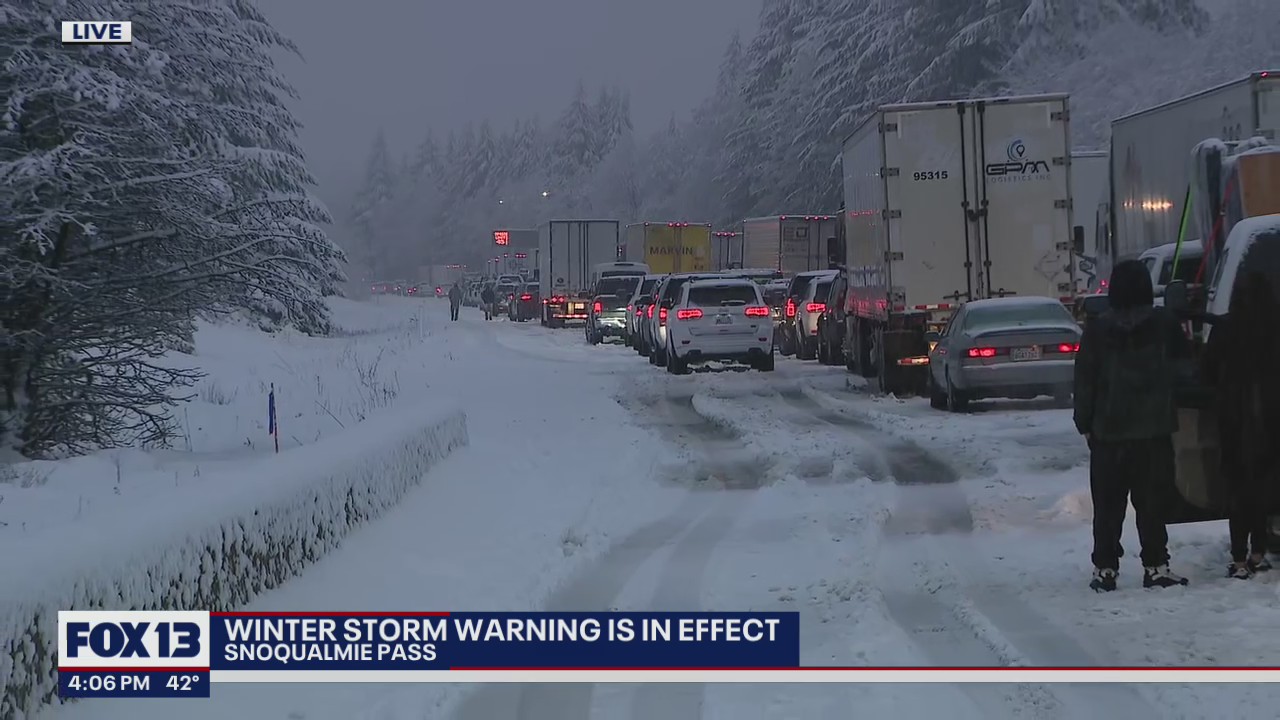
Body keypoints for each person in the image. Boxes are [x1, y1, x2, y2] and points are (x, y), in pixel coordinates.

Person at [1074, 259, 1192, 592]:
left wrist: (1085, 422)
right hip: (1153, 431)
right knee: (1152, 503)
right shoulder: (1165, 325)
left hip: (1108, 433)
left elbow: (1085, 379)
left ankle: (1105, 569)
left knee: (1108, 506)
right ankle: (1155, 565)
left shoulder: (1097, 330)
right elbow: (1184, 372)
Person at [1201, 270, 1280, 578]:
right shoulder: (1275, 326)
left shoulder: (1225, 327)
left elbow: (1206, 371)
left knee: (1238, 487)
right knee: (1264, 484)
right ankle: (1259, 550)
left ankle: (1239, 556)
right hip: (1272, 416)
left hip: (1233, 416)